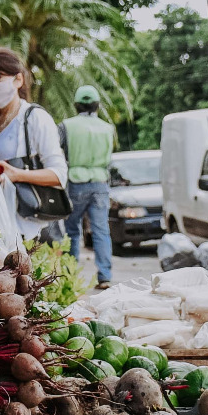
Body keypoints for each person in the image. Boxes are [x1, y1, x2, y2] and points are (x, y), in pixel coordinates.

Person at [0, 47, 68, 242]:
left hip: (30, 229)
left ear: (18, 80)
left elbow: (59, 175)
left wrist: (17, 175)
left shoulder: (35, 118)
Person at [59, 85, 116, 288]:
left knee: (72, 231)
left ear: (76, 105)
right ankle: (105, 276)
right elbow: (109, 159)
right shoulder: (108, 128)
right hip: (100, 183)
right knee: (101, 230)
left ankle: (70, 276)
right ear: (97, 105)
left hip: (75, 182)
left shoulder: (66, 125)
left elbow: (58, 153)